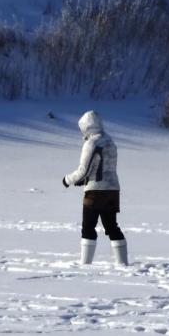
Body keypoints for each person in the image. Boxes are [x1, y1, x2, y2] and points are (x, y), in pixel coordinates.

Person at [62, 110, 128, 265]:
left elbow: (83, 170)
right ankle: (122, 263)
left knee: (88, 227)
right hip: (112, 190)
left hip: (95, 192)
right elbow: (103, 168)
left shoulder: (91, 143)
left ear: (86, 127)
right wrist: (85, 179)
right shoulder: (110, 142)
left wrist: (68, 180)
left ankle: (85, 264)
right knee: (111, 227)